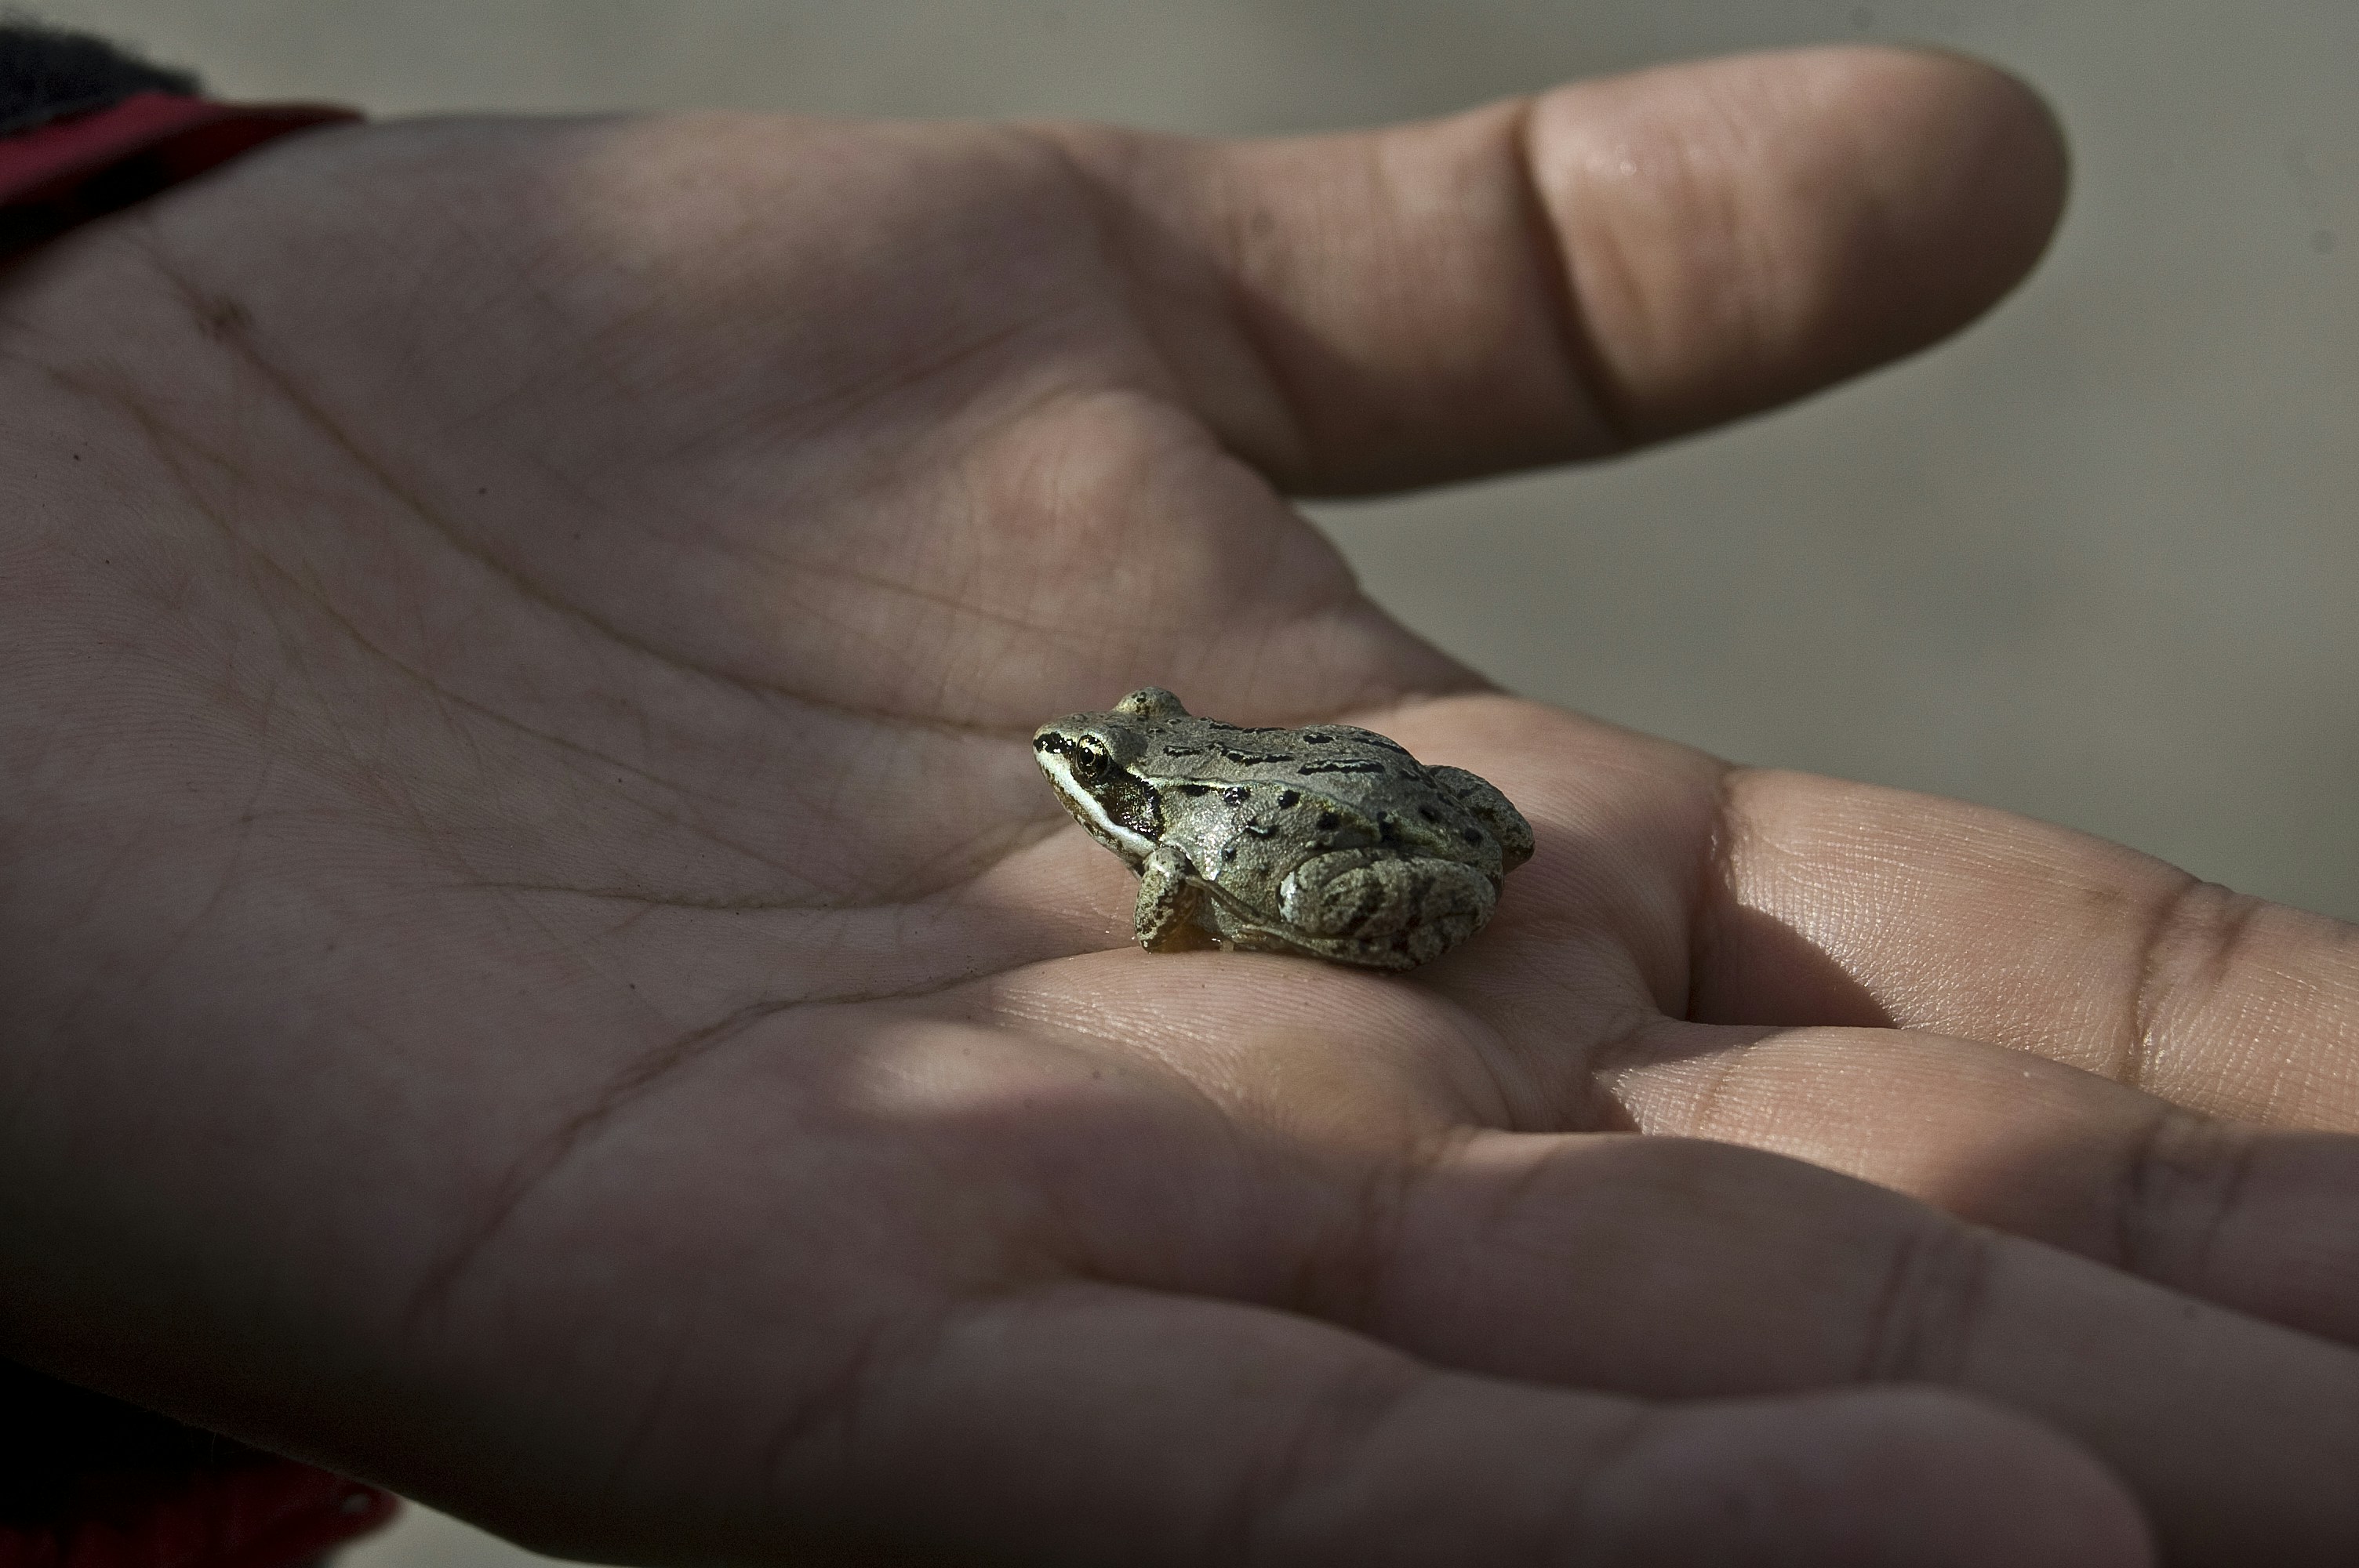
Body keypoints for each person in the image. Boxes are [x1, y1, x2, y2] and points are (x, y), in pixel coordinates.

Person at [2, 26, 2354, 1566]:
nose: (1080, 777)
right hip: (1416, 810)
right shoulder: (1156, 776)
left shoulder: (1149, 840)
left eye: (1097, 771)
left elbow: (1188, 872)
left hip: (1352, 842)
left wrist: (1193, 900)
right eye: (1109, 773)